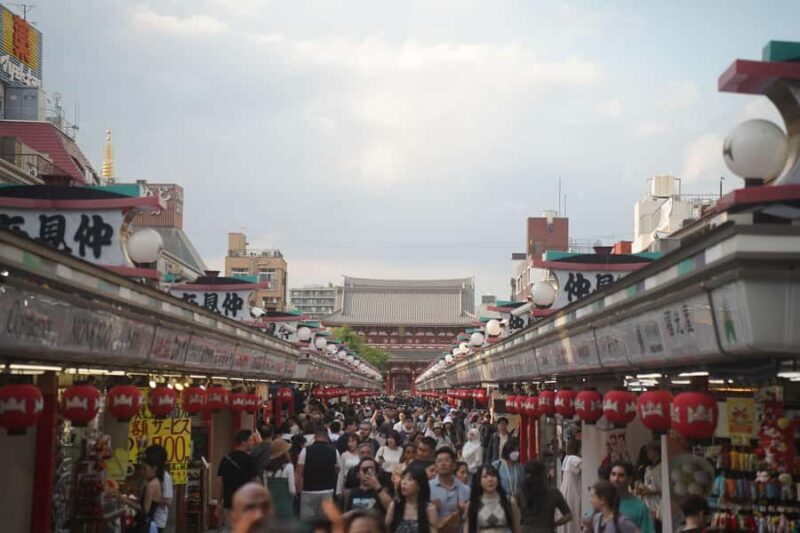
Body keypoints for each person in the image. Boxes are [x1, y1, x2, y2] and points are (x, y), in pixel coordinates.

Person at [297, 425, 341, 521]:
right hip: (327, 490)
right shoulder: (334, 451)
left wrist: (297, 488)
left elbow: (299, 471)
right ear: (327, 435)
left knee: (307, 523)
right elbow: (337, 470)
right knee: (324, 523)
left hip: (308, 490)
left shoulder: (305, 450)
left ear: (315, 436)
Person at [518, 460, 572, 533]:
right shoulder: (554, 492)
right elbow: (568, 516)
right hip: (547, 529)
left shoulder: (520, 493)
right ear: (543, 474)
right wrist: (555, 524)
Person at [218, 430, 257, 527]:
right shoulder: (250, 460)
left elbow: (219, 482)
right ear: (243, 442)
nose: (253, 442)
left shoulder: (226, 458)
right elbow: (254, 482)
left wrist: (219, 502)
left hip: (229, 502)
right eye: (251, 440)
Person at [466, 464, 521, 533]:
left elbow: (517, 529)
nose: (490, 479)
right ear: (479, 481)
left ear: (498, 479)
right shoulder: (472, 504)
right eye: (485, 477)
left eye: (493, 476)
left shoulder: (509, 501)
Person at [116, 454, 164, 532]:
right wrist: (125, 499)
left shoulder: (151, 485)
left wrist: (126, 501)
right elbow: (142, 502)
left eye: (145, 469)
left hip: (144, 525)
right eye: (141, 468)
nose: (142, 472)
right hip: (147, 522)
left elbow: (145, 510)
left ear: (154, 468)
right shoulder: (156, 482)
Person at [386, 466, 439, 533]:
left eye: (410, 479)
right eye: (403, 478)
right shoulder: (395, 505)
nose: (404, 483)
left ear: (419, 485)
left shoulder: (429, 508)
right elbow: (386, 529)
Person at [430, 447, 470, 533]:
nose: (443, 464)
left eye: (447, 460)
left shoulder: (465, 489)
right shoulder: (428, 488)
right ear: (435, 466)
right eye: (439, 461)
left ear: (454, 465)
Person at [610, 461, 654, 533]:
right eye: (613, 474)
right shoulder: (602, 502)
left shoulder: (640, 507)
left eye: (621, 475)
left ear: (630, 479)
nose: (616, 479)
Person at [263, 438, 295, 521]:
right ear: (284, 453)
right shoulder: (289, 467)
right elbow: (292, 490)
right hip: (285, 506)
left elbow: (265, 489)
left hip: (271, 507)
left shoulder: (266, 469)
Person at [144, 444, 173, 532]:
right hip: (150, 519)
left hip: (157, 519)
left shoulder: (165, 477)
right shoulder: (150, 475)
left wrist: (152, 498)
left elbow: (168, 501)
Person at [635, 442, 662, 531]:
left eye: (650, 451)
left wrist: (651, 492)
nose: (648, 454)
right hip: (648, 503)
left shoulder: (662, 467)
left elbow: (664, 488)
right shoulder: (647, 468)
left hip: (659, 503)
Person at [558, 441, 581, 533]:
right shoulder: (572, 458)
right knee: (574, 515)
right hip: (571, 491)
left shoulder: (567, 458)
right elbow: (584, 465)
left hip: (567, 489)